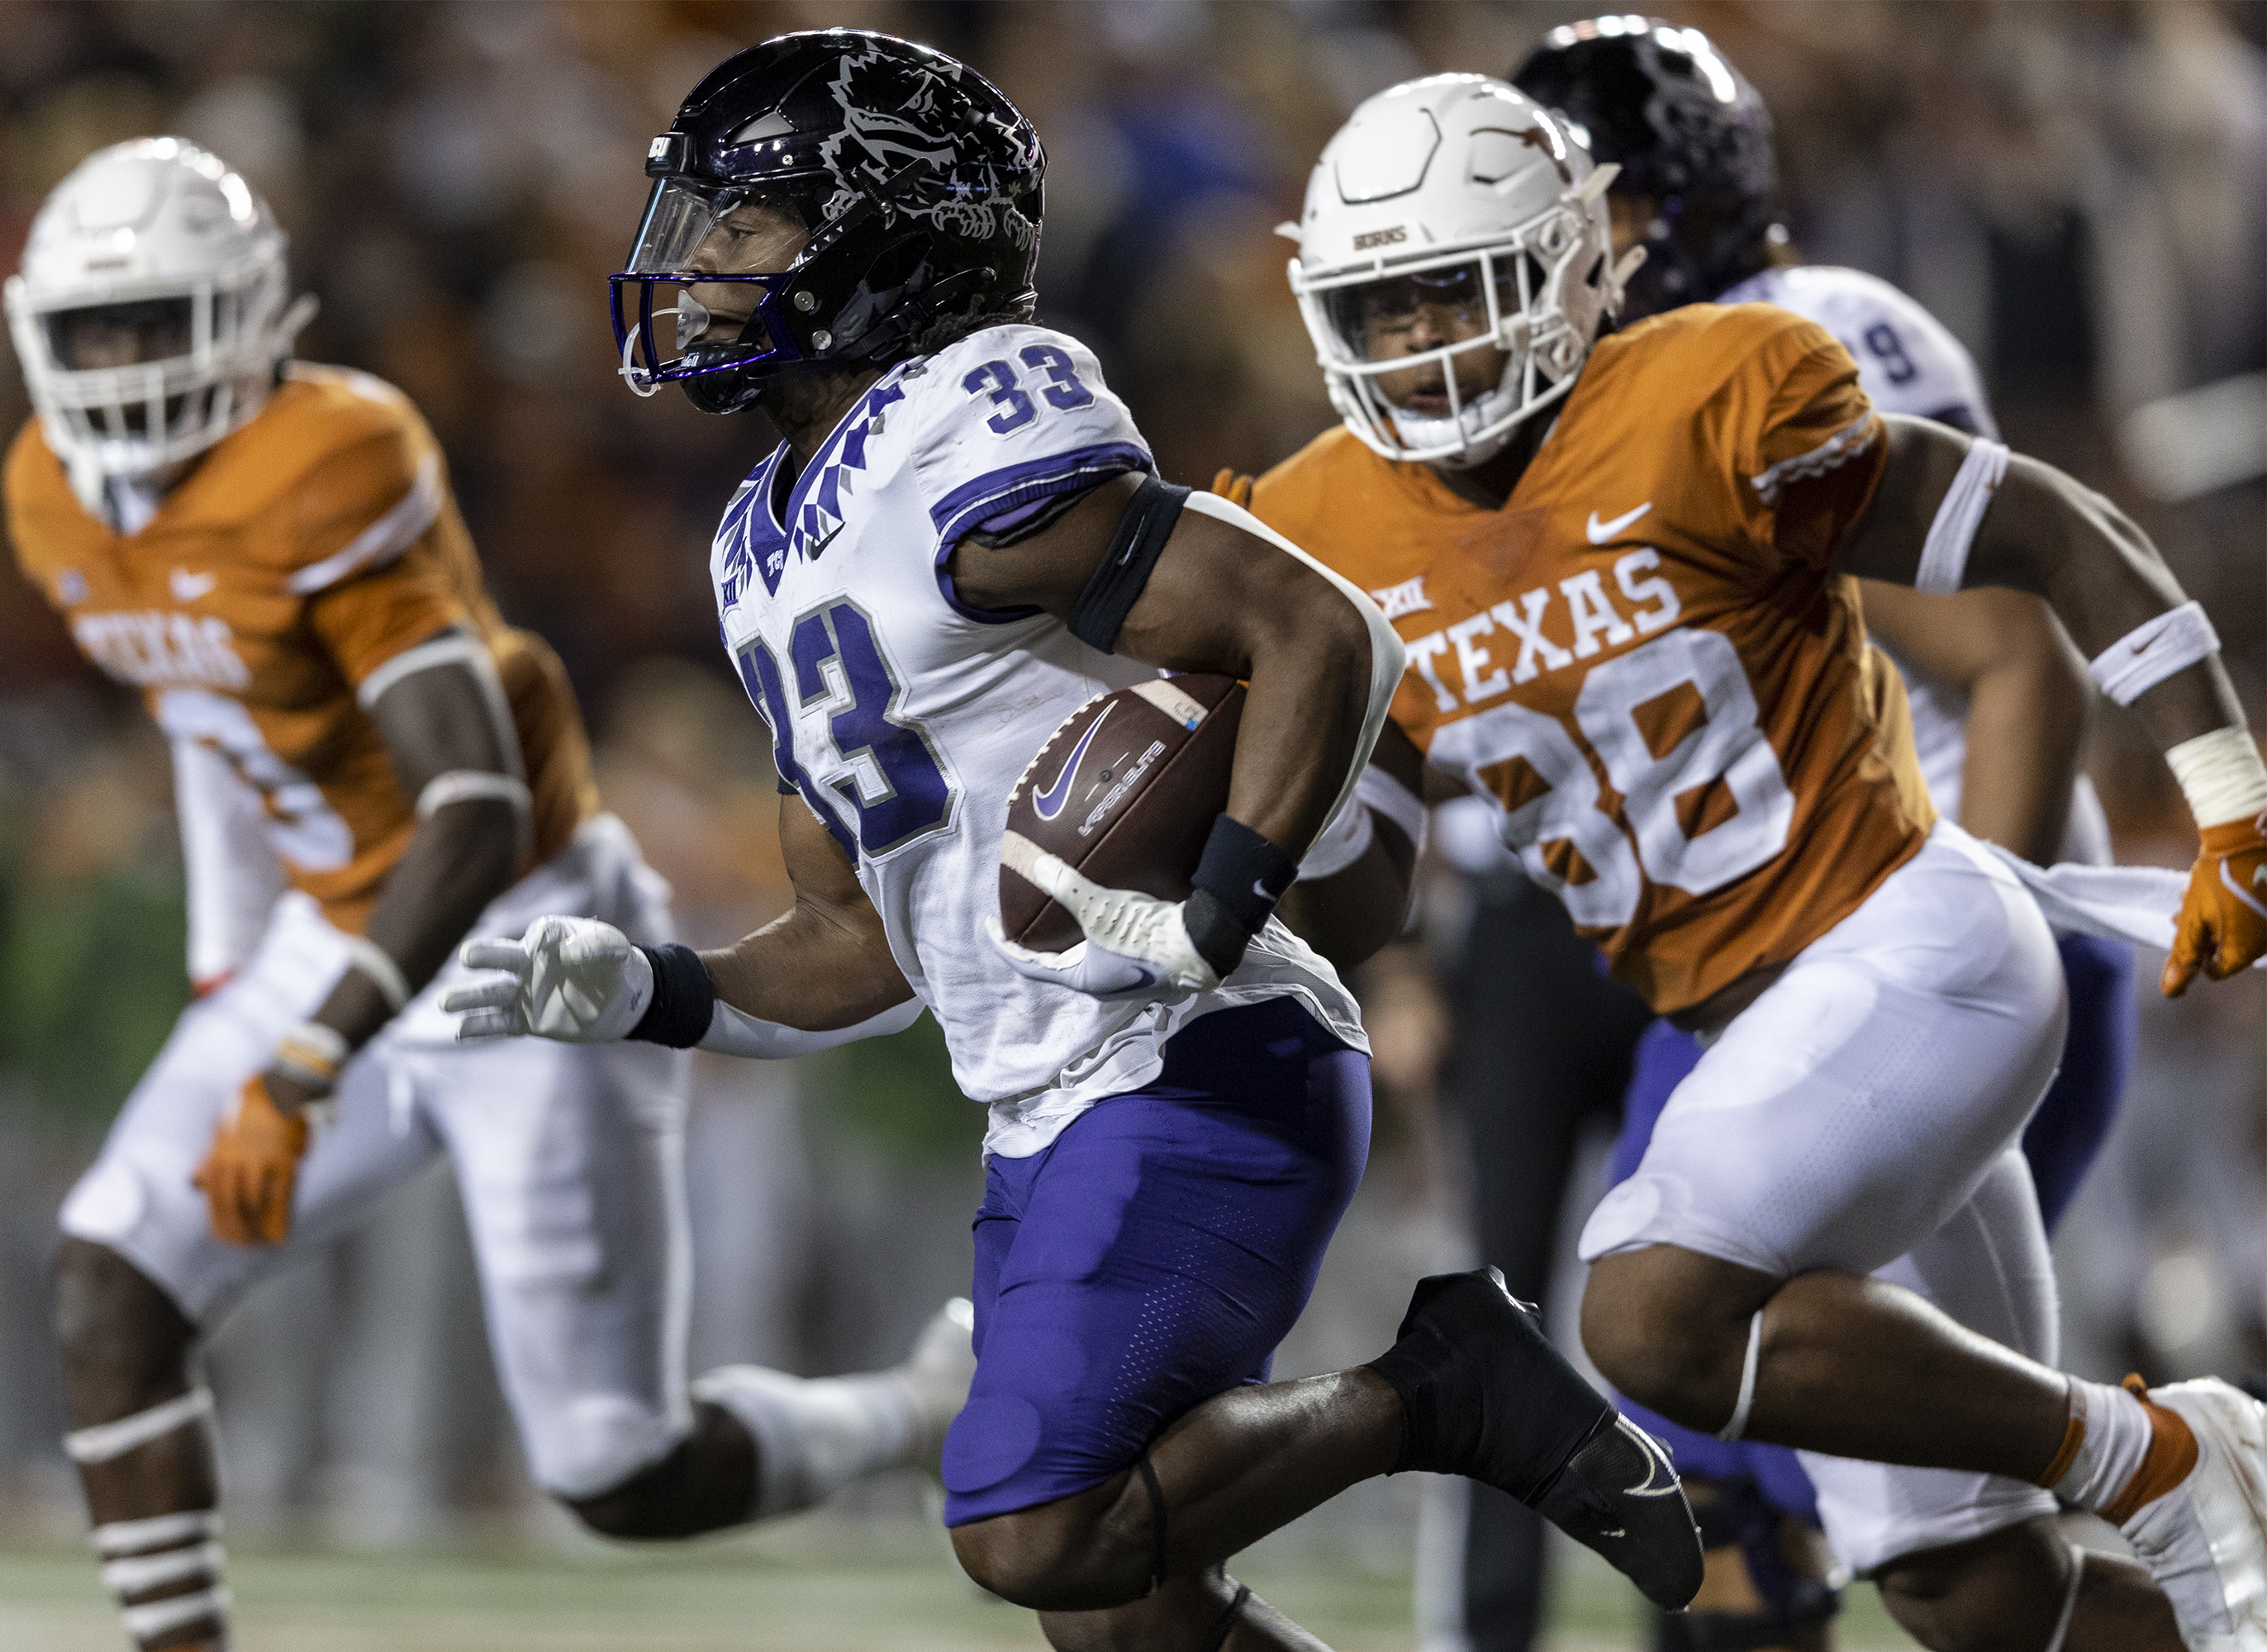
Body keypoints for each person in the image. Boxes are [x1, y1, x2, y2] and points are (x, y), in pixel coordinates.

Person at [447, 31, 1702, 1652]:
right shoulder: (759, 544)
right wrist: (652, 989)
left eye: (743, 226)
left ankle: (1445, 1387)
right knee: (1125, 1622)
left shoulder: (970, 420)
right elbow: (861, 940)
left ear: (879, 241)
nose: (693, 265)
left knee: (1034, 1528)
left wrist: (1217, 908)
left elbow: (1319, 631)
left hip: (1195, 1059)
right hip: (1045, 1108)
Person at [1235, 69, 2267, 1652]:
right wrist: (1262, 857)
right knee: (1968, 1591)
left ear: (1577, 264)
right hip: (1762, 1025)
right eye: (1380, 310)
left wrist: (2227, 790)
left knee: (1644, 1307)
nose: (1421, 346)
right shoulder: (1317, 524)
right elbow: (1366, 889)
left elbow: (2045, 537)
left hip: (1912, 947)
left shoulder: (1716, 386)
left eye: (1455, 293)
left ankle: (2168, 1450)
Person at [2, 138, 971, 1652]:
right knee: (109, 1283)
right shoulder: (51, 499)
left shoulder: (330, 456)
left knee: (612, 1470)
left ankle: (907, 1413)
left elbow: (473, 809)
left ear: (257, 318)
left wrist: (302, 1058)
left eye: (159, 321)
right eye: (96, 332)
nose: (125, 365)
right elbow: (211, 727)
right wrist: (227, 979)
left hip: (523, 950)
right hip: (337, 929)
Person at [1409, 21, 2136, 1652]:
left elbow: (2017, 660)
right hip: (1796, 947)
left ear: (1671, 209)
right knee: (1831, 1521)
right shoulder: (1628, 382)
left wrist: (1982, 942)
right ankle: (2165, 1499)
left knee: (1745, 1444)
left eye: (1569, 215)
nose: (1530, 262)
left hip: (1906, 934)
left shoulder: (1768, 356)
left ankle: (2166, 1457)